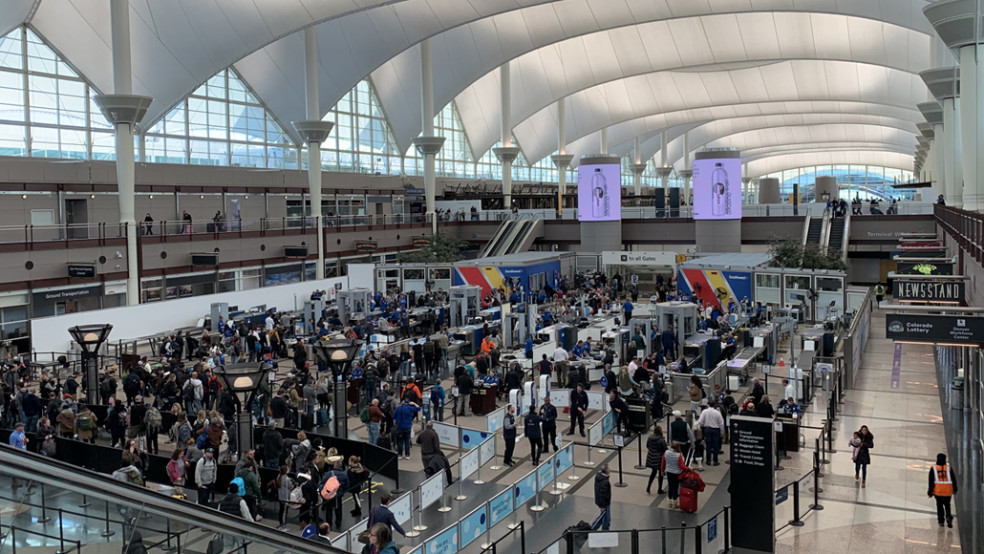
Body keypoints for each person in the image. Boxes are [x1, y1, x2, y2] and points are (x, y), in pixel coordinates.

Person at [928, 453, 958, 528]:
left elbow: (931, 481)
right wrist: (955, 489)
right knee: (947, 504)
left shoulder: (933, 468)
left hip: (938, 491)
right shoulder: (949, 468)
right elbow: (953, 480)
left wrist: (930, 491)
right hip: (948, 491)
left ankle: (941, 520)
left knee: (939, 505)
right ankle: (948, 516)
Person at [661, 442, 690, 509]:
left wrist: (662, 471)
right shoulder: (678, 455)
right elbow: (681, 466)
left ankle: (669, 501)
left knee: (670, 486)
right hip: (677, 473)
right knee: (675, 487)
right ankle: (675, 502)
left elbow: (663, 462)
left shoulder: (666, 452)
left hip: (669, 472)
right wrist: (689, 468)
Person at [697, 400, 725, 466]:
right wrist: (722, 432)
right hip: (716, 430)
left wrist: (701, 426)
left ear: (708, 404)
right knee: (716, 446)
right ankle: (715, 460)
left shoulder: (704, 411)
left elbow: (700, 421)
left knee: (708, 445)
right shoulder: (717, 413)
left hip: (707, 429)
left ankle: (708, 460)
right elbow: (721, 423)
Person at [646, 425, 668, 494]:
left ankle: (648, 486)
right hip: (659, 459)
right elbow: (665, 449)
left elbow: (647, 446)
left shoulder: (650, 437)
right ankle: (659, 489)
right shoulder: (661, 440)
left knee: (653, 472)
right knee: (661, 474)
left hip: (651, 457)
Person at [593, 464, 612, 531]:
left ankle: (593, 528)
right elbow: (603, 495)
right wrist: (603, 506)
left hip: (600, 502)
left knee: (602, 517)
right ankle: (604, 531)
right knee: (606, 519)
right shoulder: (605, 482)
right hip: (605, 503)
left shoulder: (599, 477)